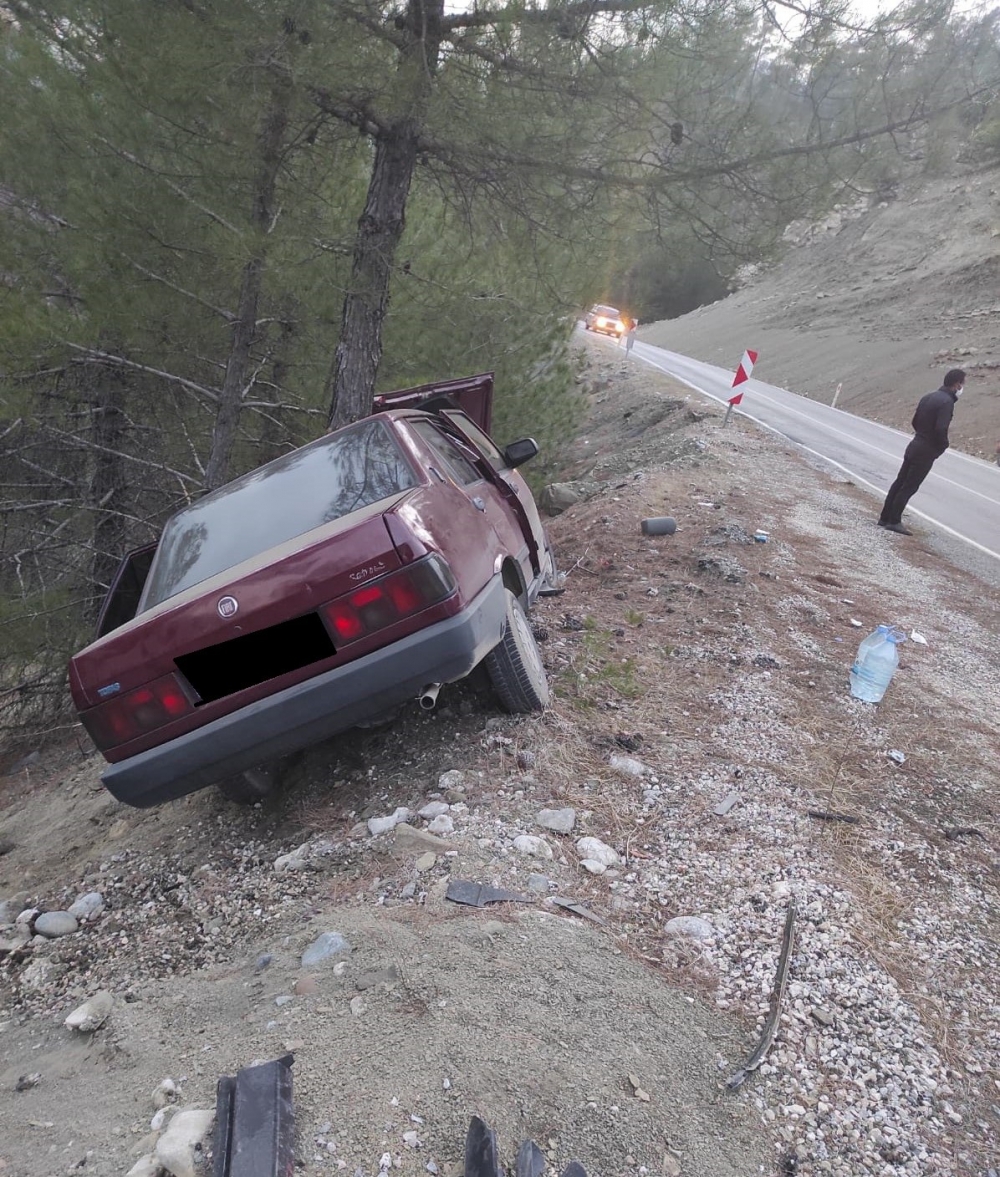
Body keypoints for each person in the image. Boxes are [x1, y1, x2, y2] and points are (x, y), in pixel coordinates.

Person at [878, 368, 966, 534]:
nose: (962, 387)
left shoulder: (928, 397)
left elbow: (915, 421)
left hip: (915, 443)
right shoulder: (946, 402)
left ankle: (884, 517)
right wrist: (943, 445)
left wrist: (922, 435)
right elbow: (941, 428)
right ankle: (894, 520)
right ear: (957, 384)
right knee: (909, 486)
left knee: (900, 481)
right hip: (926, 449)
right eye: (962, 383)